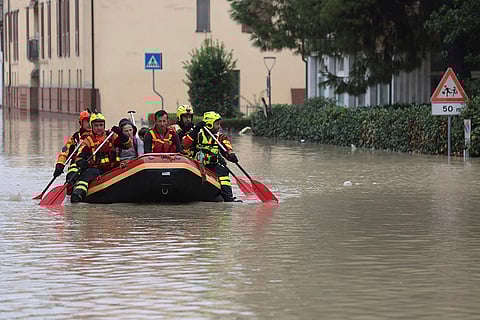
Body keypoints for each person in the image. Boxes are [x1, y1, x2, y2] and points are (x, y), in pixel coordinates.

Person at [70, 113, 132, 203]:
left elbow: (128, 145)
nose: (99, 128)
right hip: (96, 169)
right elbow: (79, 157)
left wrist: (120, 134)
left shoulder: (111, 136)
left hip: (113, 168)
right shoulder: (88, 141)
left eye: (101, 125)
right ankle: (77, 195)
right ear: (92, 126)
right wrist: (82, 162)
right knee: (86, 177)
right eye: (96, 125)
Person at [183, 111, 240, 202]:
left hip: (211, 165)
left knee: (223, 171)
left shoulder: (220, 137)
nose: (219, 127)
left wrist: (231, 155)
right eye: (217, 124)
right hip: (196, 165)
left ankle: (228, 197)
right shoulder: (196, 134)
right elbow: (184, 144)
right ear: (209, 125)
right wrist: (196, 130)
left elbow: (227, 148)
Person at [53, 110, 91, 192]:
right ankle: (69, 187)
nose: (89, 124)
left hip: (91, 163)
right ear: (81, 123)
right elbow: (64, 151)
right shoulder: (76, 137)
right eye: (87, 122)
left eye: (91, 122)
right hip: (76, 164)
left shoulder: (98, 136)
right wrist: (59, 164)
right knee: (72, 173)